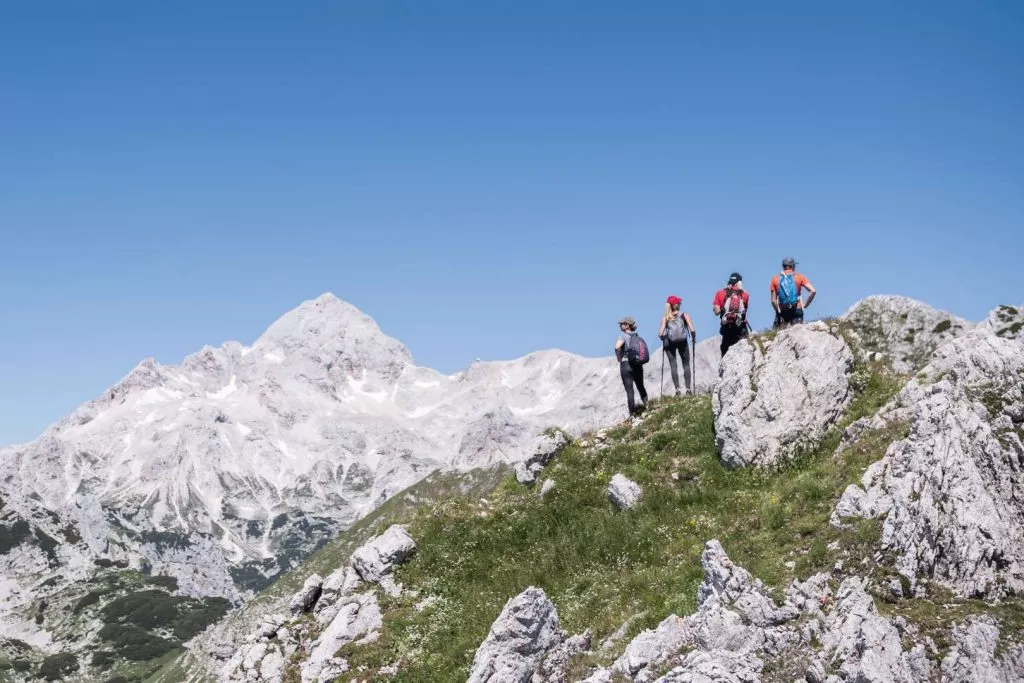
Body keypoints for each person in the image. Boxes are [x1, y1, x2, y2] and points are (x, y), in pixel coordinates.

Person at [658, 295, 696, 396]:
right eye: (679, 302)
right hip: (683, 342)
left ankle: (677, 390)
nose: (680, 303)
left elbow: (660, 333)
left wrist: (665, 338)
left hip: (670, 343)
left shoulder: (665, 318)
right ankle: (688, 390)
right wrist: (693, 338)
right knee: (686, 364)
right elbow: (692, 329)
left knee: (673, 366)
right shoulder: (684, 315)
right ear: (675, 304)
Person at [615, 316, 649, 416]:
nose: (620, 326)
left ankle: (632, 414)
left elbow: (617, 347)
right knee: (640, 386)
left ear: (627, 325)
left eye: (622, 324)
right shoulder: (637, 337)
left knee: (630, 390)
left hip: (626, 364)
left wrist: (619, 358)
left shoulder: (623, 335)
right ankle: (647, 406)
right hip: (637, 364)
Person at [770, 257, 816, 329]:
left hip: (783, 310)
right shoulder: (800, 277)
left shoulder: (775, 279)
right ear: (793, 266)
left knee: (780, 336)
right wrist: (805, 305)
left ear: (783, 266)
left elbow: (773, 301)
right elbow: (813, 291)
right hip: (797, 309)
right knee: (797, 334)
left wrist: (778, 311)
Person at [713, 272, 750, 357]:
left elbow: (716, 312)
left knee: (725, 351)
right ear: (739, 282)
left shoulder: (720, 293)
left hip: (727, 328)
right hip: (740, 327)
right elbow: (744, 311)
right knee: (744, 353)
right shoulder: (745, 295)